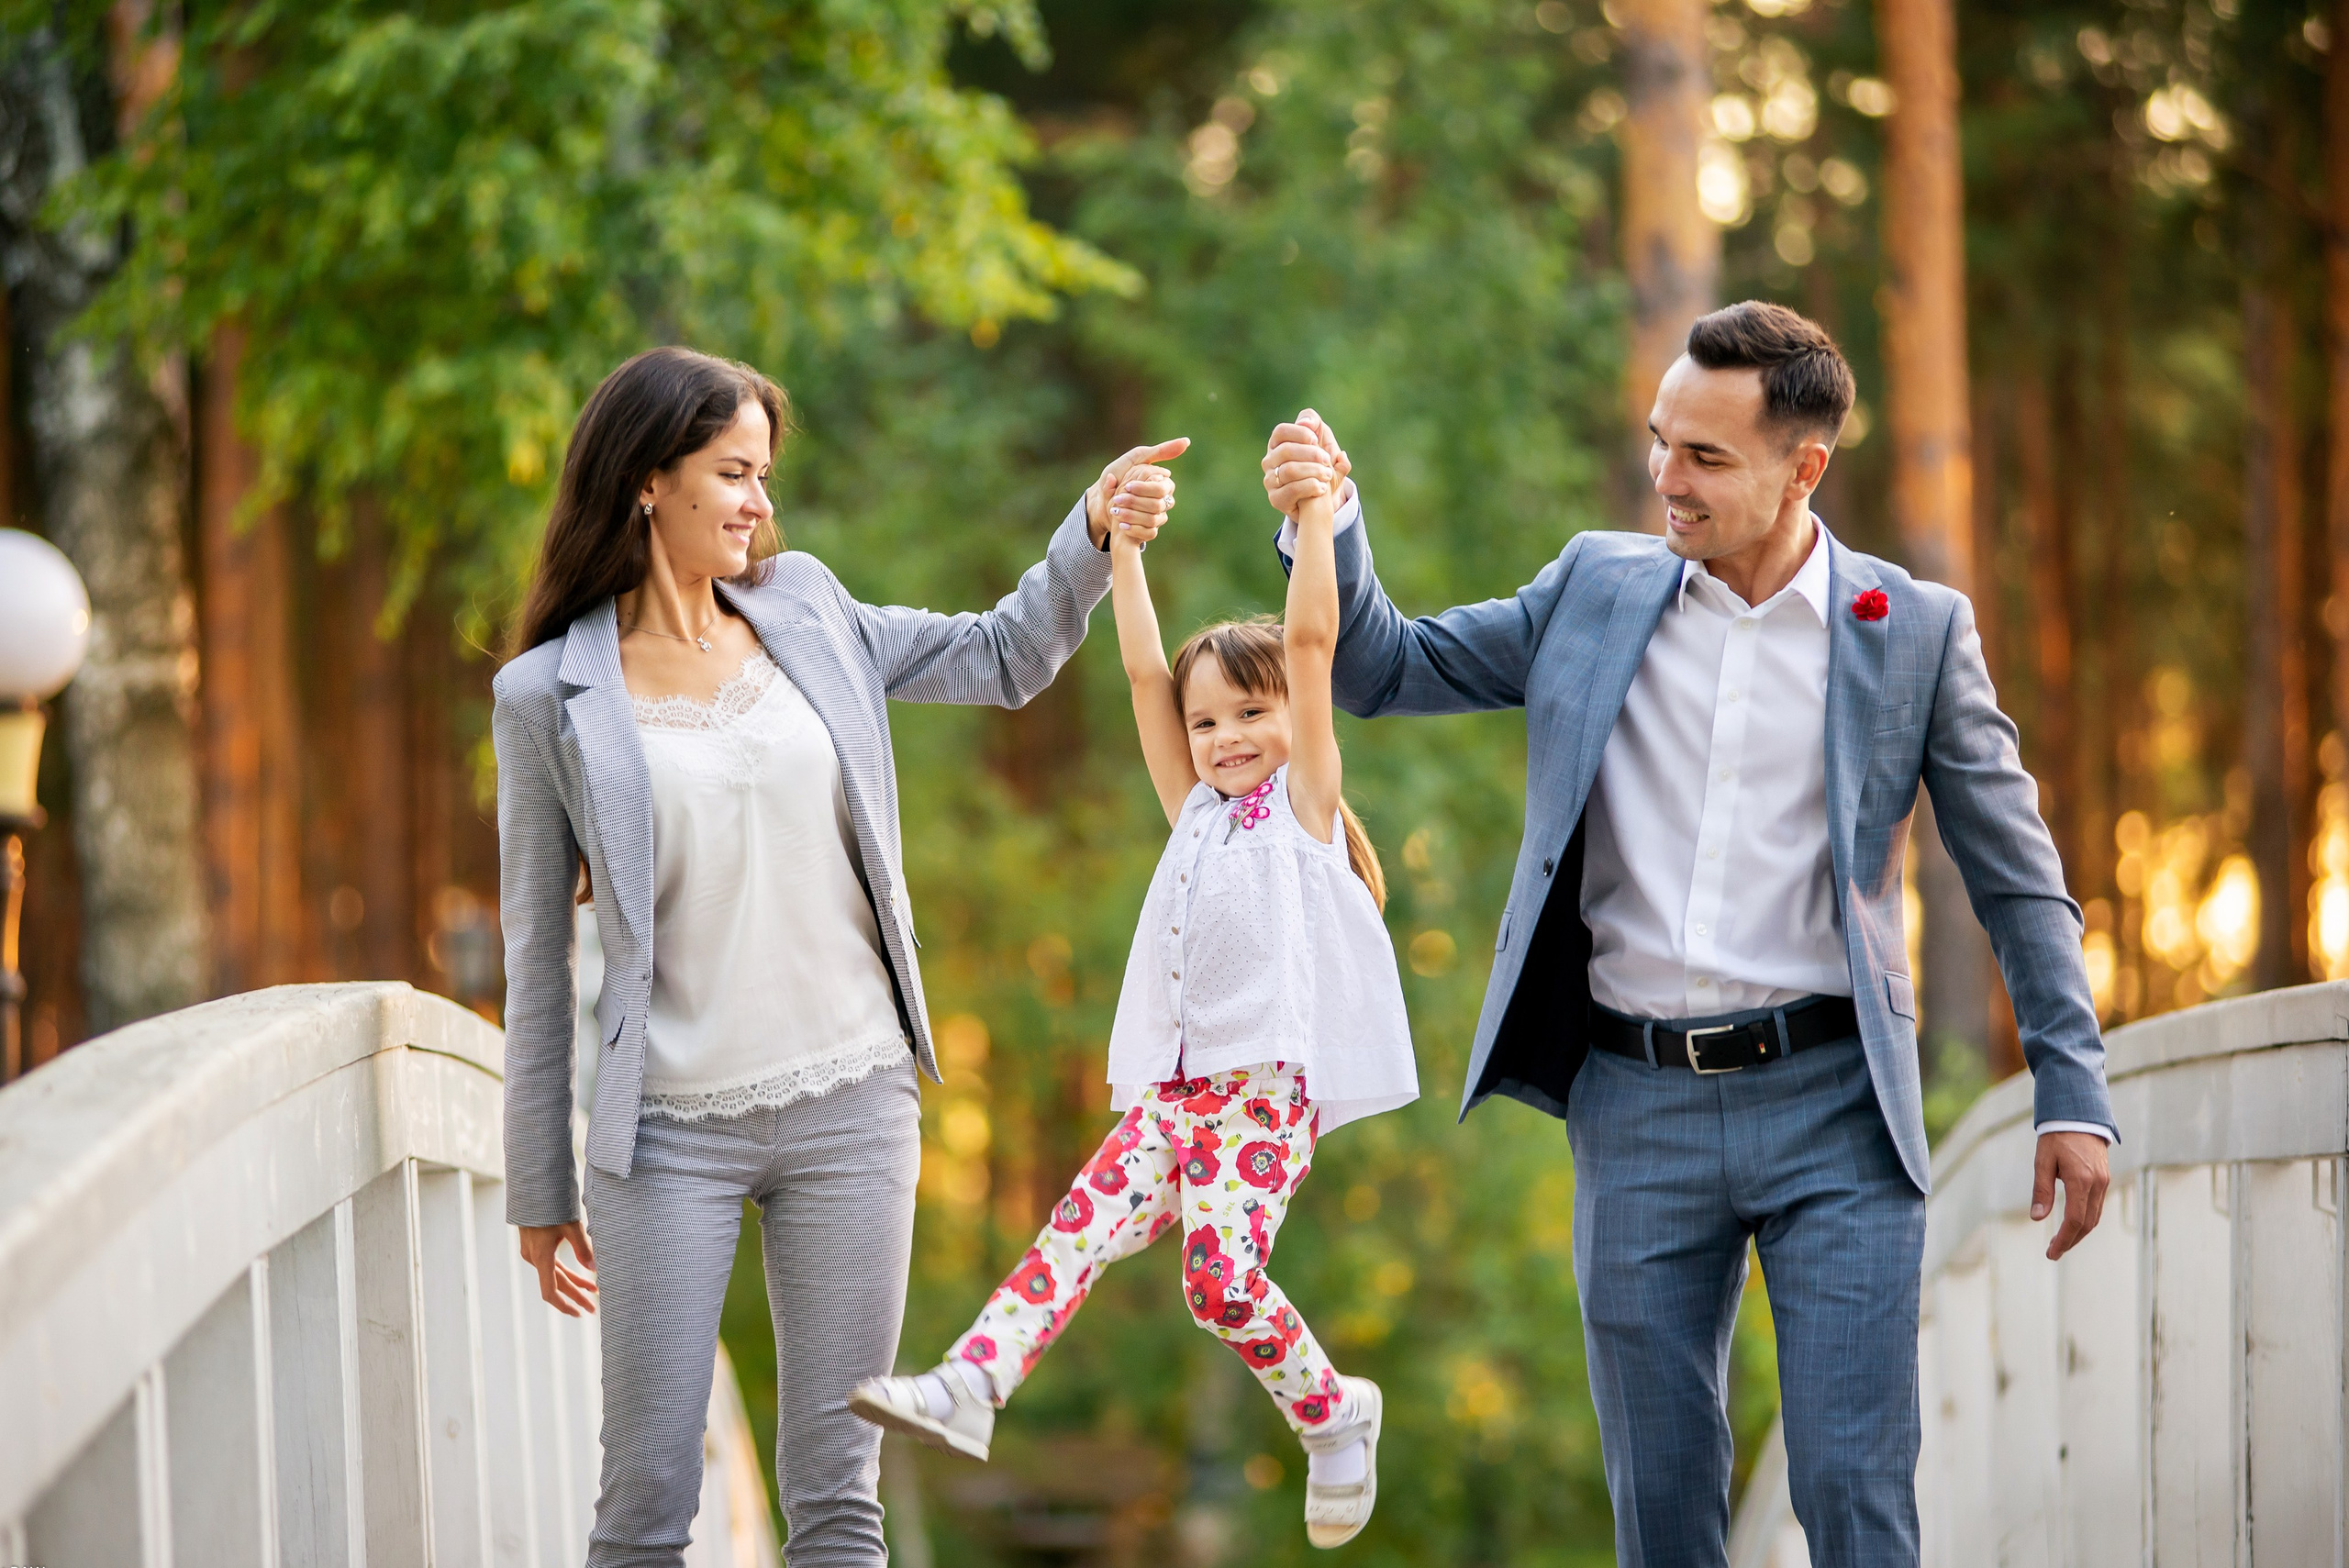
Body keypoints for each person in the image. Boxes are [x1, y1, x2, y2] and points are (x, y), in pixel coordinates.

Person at [1255, 303, 2117, 1568]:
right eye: (1660, 441)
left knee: (1851, 1483)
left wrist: (2072, 1087)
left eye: (1705, 456)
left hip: (1838, 1110)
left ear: (1803, 468)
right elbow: (1383, 669)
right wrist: (1326, 519)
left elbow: (2018, 879)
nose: (1666, 475)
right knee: (1660, 1507)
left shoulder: (1912, 630)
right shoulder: (1593, 590)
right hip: (1637, 1107)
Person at [494, 344, 1186, 1567]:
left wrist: (1089, 528)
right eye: (733, 473)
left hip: (853, 1104)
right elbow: (536, 954)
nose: (758, 502)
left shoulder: (806, 605)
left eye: (764, 475)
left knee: (837, 1496)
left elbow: (1001, 655)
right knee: (645, 1502)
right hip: (666, 1132)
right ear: (647, 479)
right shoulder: (545, 695)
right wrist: (540, 1186)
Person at [849, 425, 1419, 1549]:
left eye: (1249, 714)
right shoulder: (1194, 811)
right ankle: (972, 1381)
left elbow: (1311, 641)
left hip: (1262, 1097)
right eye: (1207, 723)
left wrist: (1314, 514)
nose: (1224, 737)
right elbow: (1145, 675)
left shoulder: (1302, 814)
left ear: (1290, 723)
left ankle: (1332, 1409)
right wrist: (1123, 547)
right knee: (1075, 1228)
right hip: (1175, 1093)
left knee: (1218, 1281)